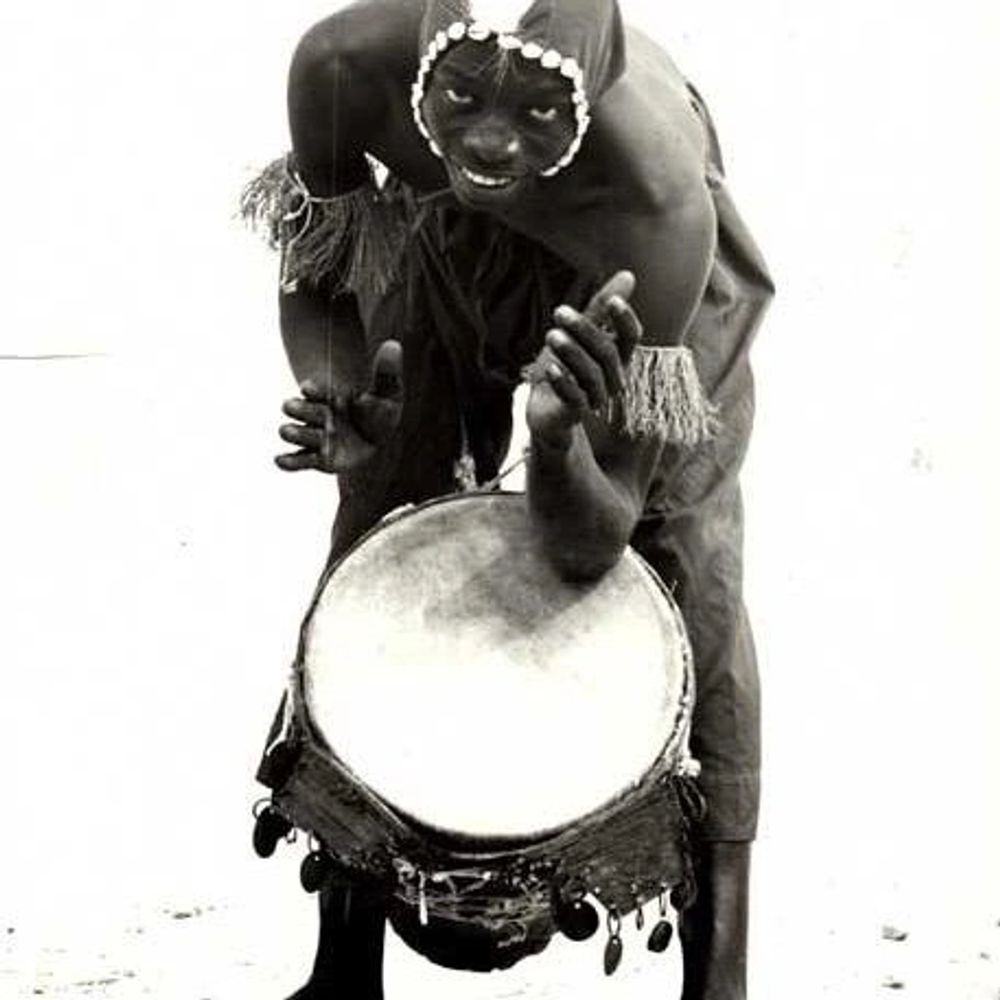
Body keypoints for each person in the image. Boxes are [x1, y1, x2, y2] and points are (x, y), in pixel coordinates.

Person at [243, 0, 773, 997]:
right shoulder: (341, 66)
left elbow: (594, 537)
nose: (490, 137)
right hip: (442, 237)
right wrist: (342, 390)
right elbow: (318, 276)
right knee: (372, 533)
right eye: (464, 96)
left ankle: (719, 977)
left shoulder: (659, 203)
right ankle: (343, 959)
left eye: (537, 108)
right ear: (422, 54)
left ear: (590, 84)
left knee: (683, 565)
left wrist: (556, 439)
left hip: (633, 288)